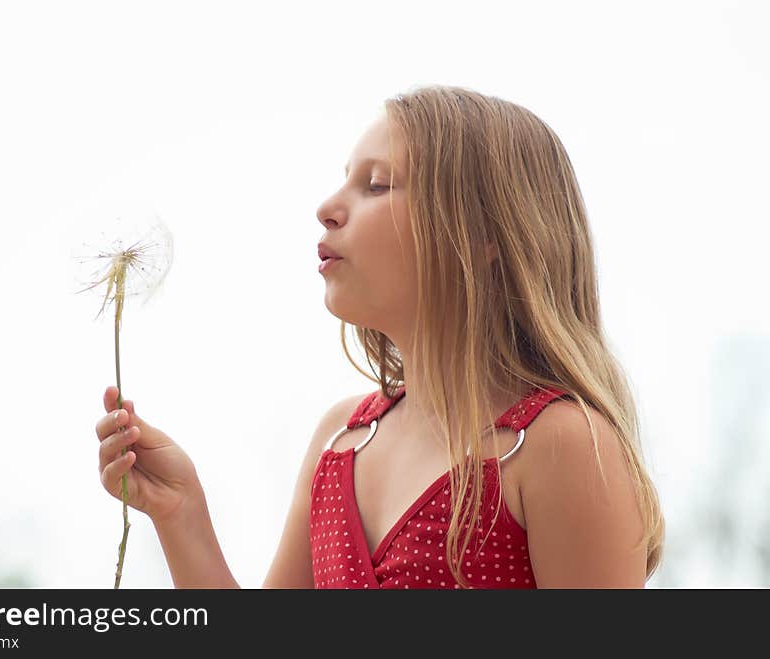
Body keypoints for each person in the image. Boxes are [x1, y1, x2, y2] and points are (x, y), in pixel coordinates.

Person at [94, 85, 665, 589]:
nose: (328, 208)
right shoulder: (341, 441)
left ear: (486, 235)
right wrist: (181, 513)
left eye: (377, 184)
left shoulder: (561, 446)